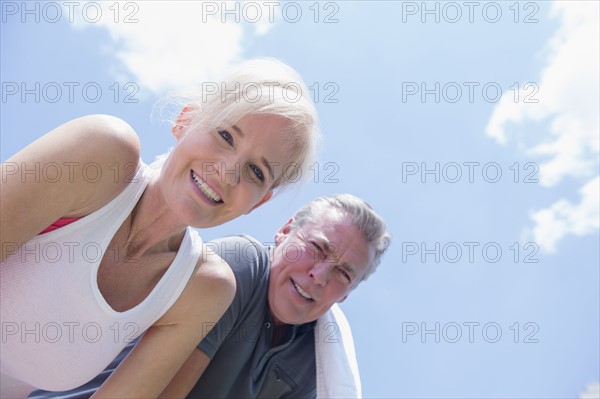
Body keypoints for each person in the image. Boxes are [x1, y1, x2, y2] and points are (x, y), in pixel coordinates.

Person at [0, 58, 320, 398]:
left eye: (256, 172)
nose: (228, 172)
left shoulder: (204, 288)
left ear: (257, 203)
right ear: (185, 120)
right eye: (225, 135)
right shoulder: (102, 153)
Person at [29, 194, 391, 398]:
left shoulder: (315, 360)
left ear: (347, 295)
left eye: (343, 273)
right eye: (316, 248)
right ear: (283, 233)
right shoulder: (240, 265)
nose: (318, 276)